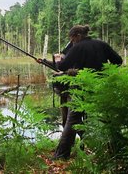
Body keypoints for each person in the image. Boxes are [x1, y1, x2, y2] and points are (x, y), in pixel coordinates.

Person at [52, 25, 123, 160]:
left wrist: (58, 59)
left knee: (72, 120)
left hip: (81, 89)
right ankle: (117, 151)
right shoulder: (102, 44)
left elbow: (62, 66)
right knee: (107, 119)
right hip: (101, 88)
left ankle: (61, 155)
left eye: (72, 39)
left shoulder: (77, 48)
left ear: (78, 36)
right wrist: (106, 73)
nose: (72, 42)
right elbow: (118, 61)